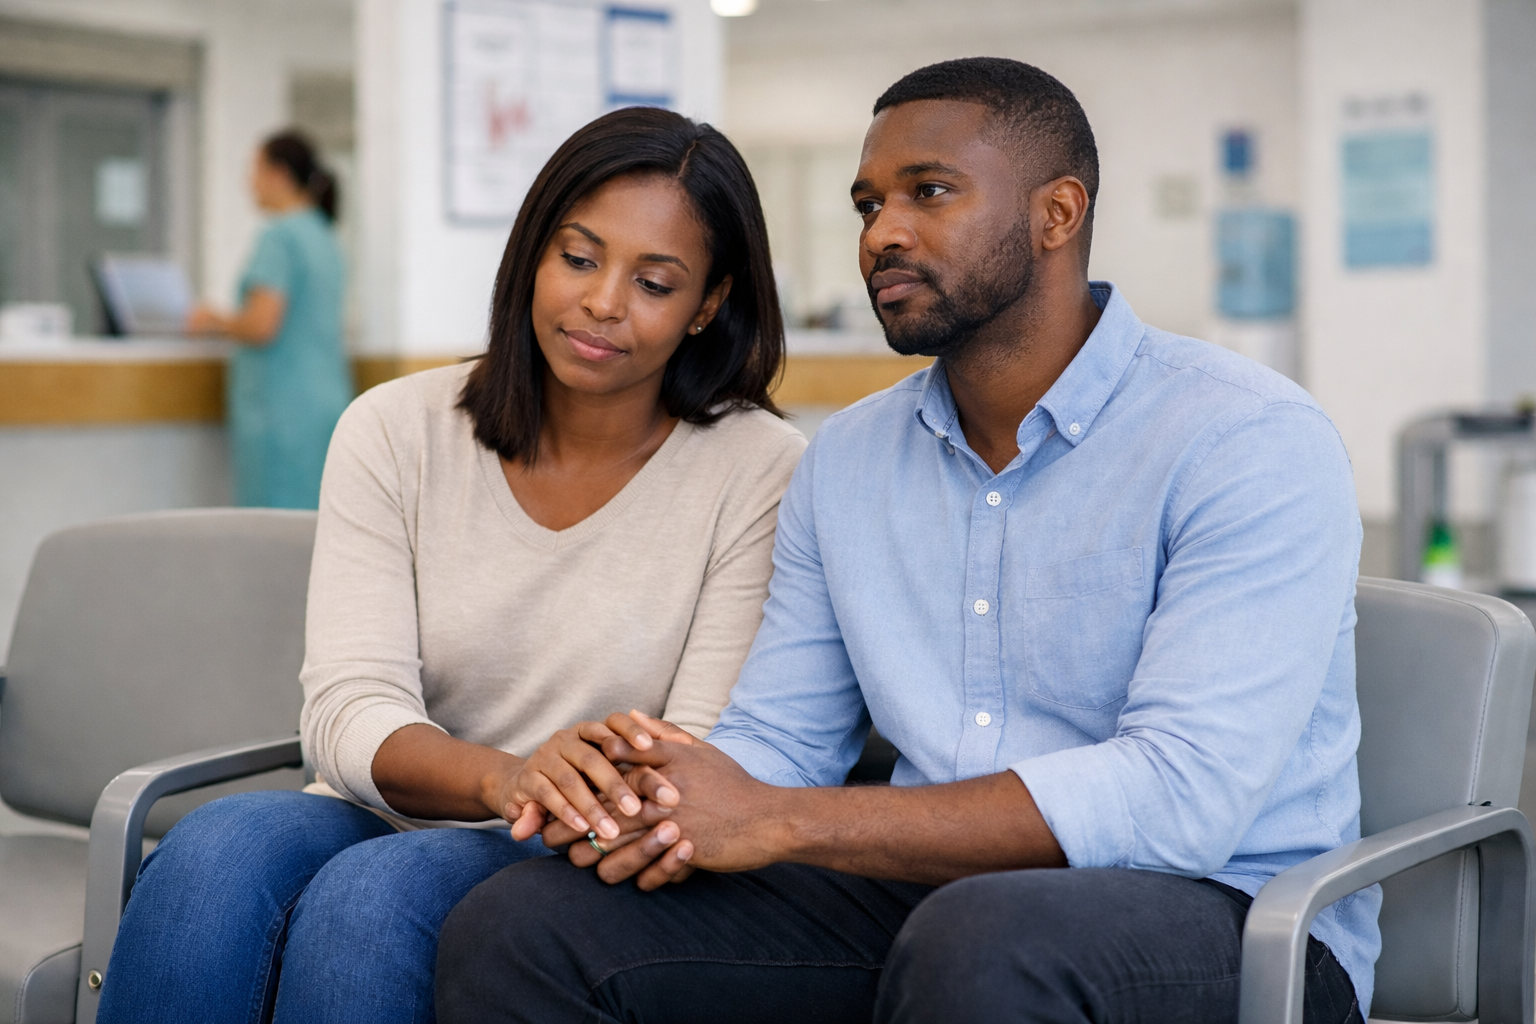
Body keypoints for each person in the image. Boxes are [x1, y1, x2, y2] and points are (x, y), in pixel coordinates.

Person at [436, 58, 1378, 1024]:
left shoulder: (1245, 437)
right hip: (928, 906)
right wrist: (657, 798)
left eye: (928, 193)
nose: (881, 233)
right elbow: (783, 738)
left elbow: (1181, 800)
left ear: (1057, 214)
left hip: (1229, 916)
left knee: (985, 945)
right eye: (866, 204)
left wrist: (778, 820)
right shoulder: (845, 459)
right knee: (526, 922)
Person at [95, 107, 805, 1024]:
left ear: (709, 303)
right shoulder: (396, 429)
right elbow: (350, 708)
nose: (602, 302)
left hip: (590, 843)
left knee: (376, 897)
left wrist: (549, 797)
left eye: (655, 282)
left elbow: (697, 754)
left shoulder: (758, 468)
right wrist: (501, 776)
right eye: (579, 258)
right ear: (532, 255)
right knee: (213, 848)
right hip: (398, 802)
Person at [187, 129, 353, 509]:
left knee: (273, 524)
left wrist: (214, 320)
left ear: (278, 175)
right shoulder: (325, 235)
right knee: (315, 522)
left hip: (283, 412)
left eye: (254, 170)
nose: (249, 182)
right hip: (325, 402)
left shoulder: (279, 236)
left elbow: (262, 324)